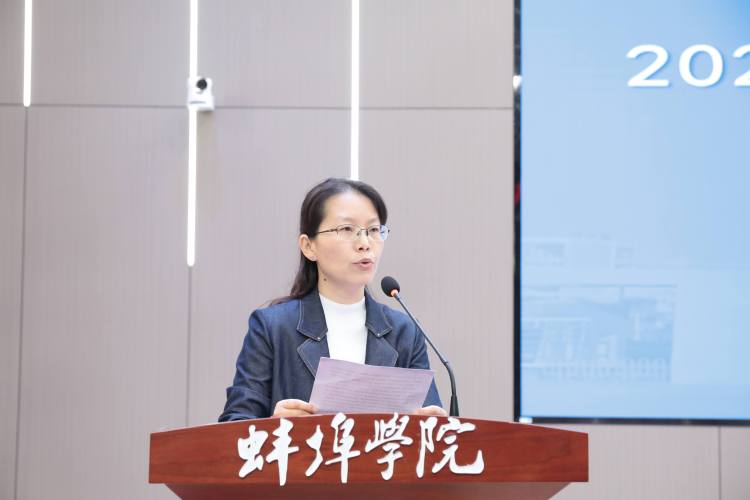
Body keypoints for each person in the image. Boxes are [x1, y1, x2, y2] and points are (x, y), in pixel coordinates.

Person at [219, 178, 446, 421]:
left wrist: (433, 427)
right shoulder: (272, 327)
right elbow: (235, 424)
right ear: (309, 246)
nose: (365, 244)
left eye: (373, 230)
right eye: (347, 229)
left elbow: (433, 427)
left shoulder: (405, 332)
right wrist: (274, 427)